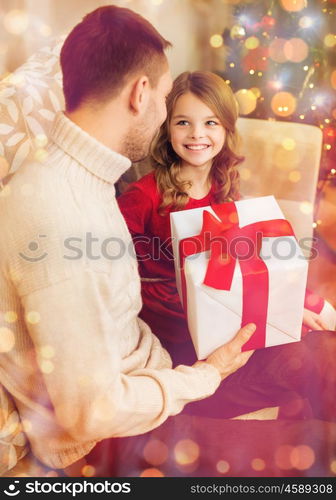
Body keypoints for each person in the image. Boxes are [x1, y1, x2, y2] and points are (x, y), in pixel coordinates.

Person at [0, 6, 257, 473]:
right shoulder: (57, 216)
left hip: (157, 380)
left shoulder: (87, 177)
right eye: (164, 99)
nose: (164, 115)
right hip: (115, 439)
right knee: (320, 443)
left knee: (316, 362)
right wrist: (204, 376)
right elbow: (90, 413)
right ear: (141, 93)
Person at [118, 70, 335, 420]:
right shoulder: (145, 196)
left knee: (320, 349)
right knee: (306, 363)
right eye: (183, 122)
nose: (197, 135)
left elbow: (248, 268)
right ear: (167, 128)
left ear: (226, 129)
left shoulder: (225, 187)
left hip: (231, 324)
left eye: (211, 123)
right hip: (184, 352)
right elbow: (111, 274)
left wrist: (291, 305)